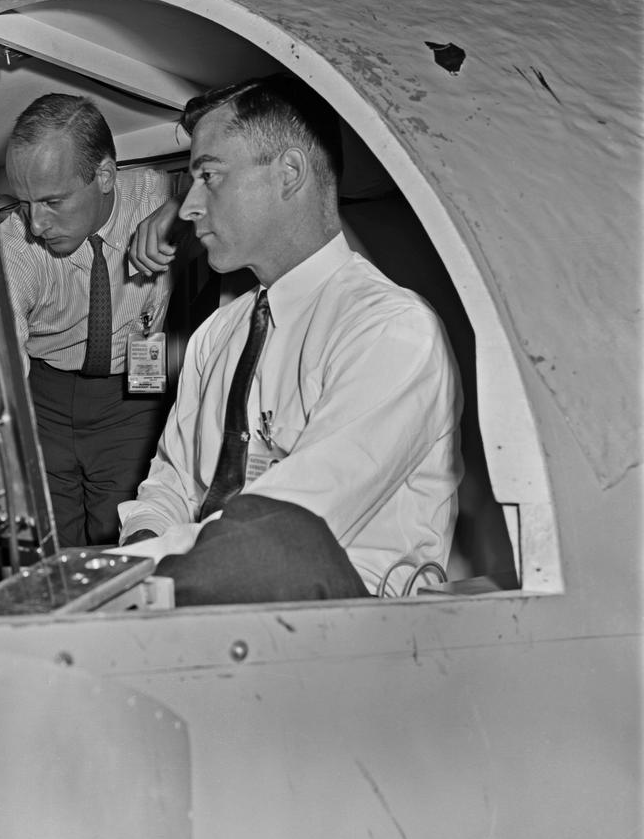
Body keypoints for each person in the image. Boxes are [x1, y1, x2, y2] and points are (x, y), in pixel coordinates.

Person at [115, 74, 462, 604]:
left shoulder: (390, 329)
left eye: (210, 176)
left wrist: (115, 574)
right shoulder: (217, 334)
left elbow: (282, 531)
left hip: (346, 626)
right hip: (211, 605)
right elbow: (171, 484)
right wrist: (138, 551)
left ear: (290, 173)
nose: (187, 208)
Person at [0, 94, 179, 548]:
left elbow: (232, 175)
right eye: (25, 203)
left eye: (52, 201)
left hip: (135, 391)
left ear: (104, 175)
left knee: (124, 541)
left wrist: (184, 210)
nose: (36, 224)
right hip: (43, 397)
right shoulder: (15, 245)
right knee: (52, 549)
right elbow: (3, 357)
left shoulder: (159, 198)